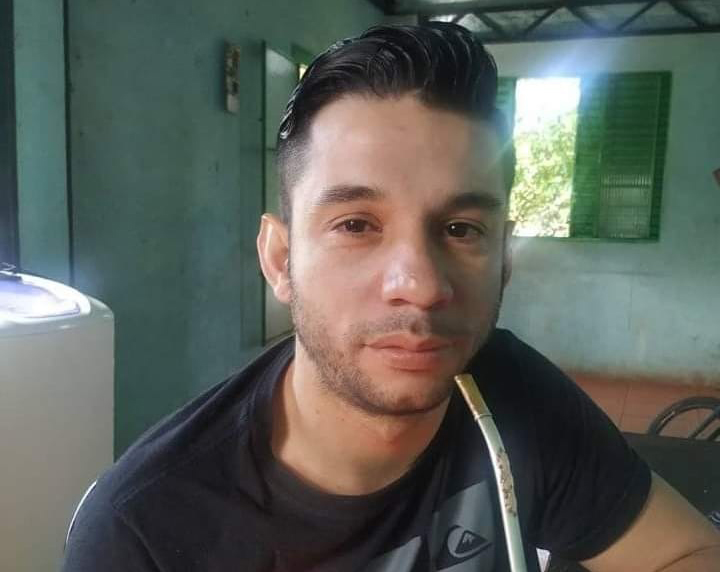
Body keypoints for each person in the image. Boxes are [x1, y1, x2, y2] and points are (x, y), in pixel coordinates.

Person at [62, 23, 720, 572]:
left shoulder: (507, 394)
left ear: (503, 260)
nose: (423, 286)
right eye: (356, 225)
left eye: (461, 229)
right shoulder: (142, 532)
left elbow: (687, 553)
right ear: (281, 259)